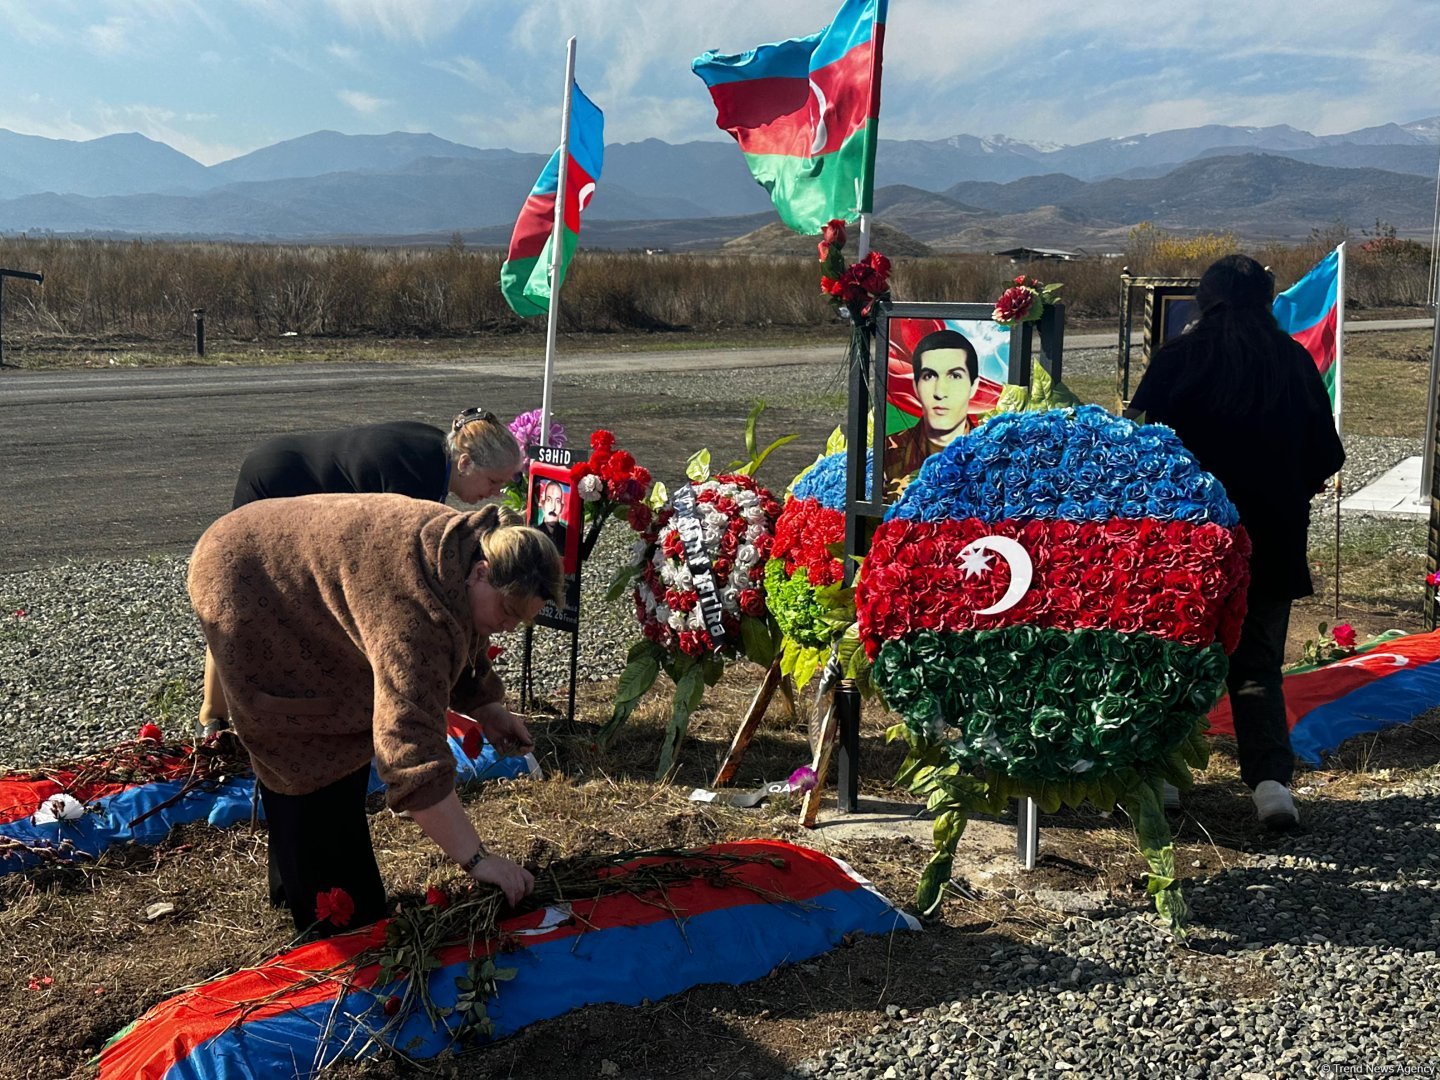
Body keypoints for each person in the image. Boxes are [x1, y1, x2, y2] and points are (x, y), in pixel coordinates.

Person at [188, 493, 562, 931]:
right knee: (301, 746)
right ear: (482, 572)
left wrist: (488, 708)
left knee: (345, 731)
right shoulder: (414, 612)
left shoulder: (465, 553)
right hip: (246, 579)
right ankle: (319, 903)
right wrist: (478, 859)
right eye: (507, 612)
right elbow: (409, 753)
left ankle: (298, 881)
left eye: (520, 621)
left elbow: (461, 637)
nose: (508, 628)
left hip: (290, 564)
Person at [1127, 254, 1345, 830]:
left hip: (1185, 545)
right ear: (1267, 302)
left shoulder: (1176, 361)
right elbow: (1329, 454)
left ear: (1205, 301)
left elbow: (1138, 449)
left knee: (1176, 657)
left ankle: (1167, 776)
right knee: (1257, 669)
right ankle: (1272, 785)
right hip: (1270, 541)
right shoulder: (1293, 362)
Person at [199, 408, 522, 734]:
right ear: (466, 463)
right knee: (244, 598)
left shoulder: (436, 454)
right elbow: (401, 568)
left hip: (287, 464)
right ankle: (214, 717)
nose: (495, 493)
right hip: (279, 481)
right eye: (494, 481)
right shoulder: (415, 475)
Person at [884, 329, 980, 499]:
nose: (940, 392)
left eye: (955, 376)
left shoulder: (990, 453)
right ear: (915, 386)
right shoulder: (889, 451)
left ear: (973, 387)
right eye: (929, 376)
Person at [535, 479, 569, 554]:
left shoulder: (568, 534)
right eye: (549, 499)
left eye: (558, 501)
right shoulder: (534, 533)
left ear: (562, 507)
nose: (553, 507)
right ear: (542, 504)